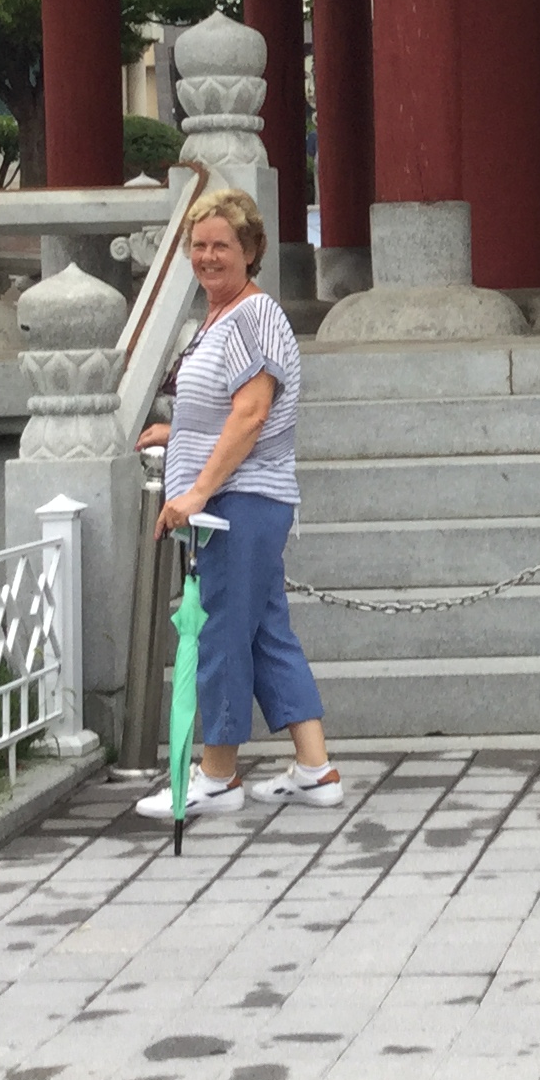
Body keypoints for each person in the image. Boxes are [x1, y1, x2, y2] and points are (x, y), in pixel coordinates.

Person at [135, 186, 338, 818]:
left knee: (219, 631)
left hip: (238, 501)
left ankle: (218, 776)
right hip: (237, 499)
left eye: (221, 244)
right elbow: (223, 406)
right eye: (198, 245)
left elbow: (251, 413)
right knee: (266, 633)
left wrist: (197, 490)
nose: (207, 256)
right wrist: (178, 433)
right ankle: (315, 769)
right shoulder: (220, 317)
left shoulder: (251, 315)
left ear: (251, 250)